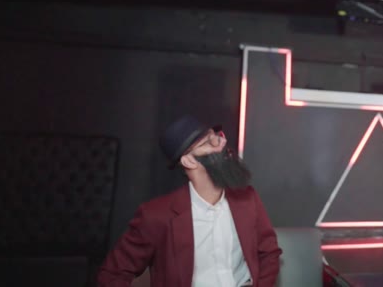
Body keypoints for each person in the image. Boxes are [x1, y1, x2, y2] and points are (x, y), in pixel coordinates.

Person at [97, 115, 282, 287]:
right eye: (209, 142)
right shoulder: (156, 215)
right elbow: (112, 275)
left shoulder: (247, 199)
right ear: (189, 161)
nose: (222, 143)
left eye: (217, 136)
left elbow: (269, 254)